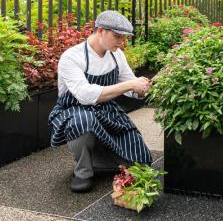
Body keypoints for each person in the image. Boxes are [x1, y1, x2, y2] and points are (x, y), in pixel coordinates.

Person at [48, 10, 152, 193]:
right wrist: (129, 84)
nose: (121, 42)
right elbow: (85, 95)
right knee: (83, 121)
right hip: (74, 109)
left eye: (124, 37)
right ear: (101, 31)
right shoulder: (72, 57)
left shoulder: (116, 55)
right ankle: (83, 171)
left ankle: (98, 159)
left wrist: (143, 89)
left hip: (106, 109)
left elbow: (131, 89)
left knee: (141, 162)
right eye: (117, 36)